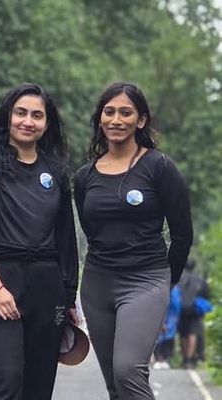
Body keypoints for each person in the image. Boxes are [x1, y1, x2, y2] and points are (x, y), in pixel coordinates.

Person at [75, 81, 193, 400]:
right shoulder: (85, 176)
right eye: (109, 112)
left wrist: (166, 282)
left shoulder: (159, 167)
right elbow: (92, 230)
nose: (116, 119)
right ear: (100, 118)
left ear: (140, 120)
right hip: (98, 283)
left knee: (128, 370)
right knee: (115, 383)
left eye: (125, 112)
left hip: (146, 279)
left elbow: (182, 234)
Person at [0, 82, 79, 400]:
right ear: (7, 117)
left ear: (47, 123)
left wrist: (68, 299)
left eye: (37, 115)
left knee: (40, 384)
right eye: (21, 113)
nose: (28, 121)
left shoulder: (55, 174)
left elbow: (66, 241)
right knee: (6, 380)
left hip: (50, 293)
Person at [178, 257, 210, 369]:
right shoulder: (200, 280)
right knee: (192, 334)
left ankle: (184, 357)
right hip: (195, 310)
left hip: (181, 309)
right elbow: (206, 295)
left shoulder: (179, 279)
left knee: (182, 334)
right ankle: (188, 360)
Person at [153, 285, 182, 369]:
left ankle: (163, 359)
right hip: (166, 316)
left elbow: (175, 307)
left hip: (168, 317)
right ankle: (161, 359)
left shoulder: (171, 289)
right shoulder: (173, 289)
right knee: (162, 337)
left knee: (164, 337)